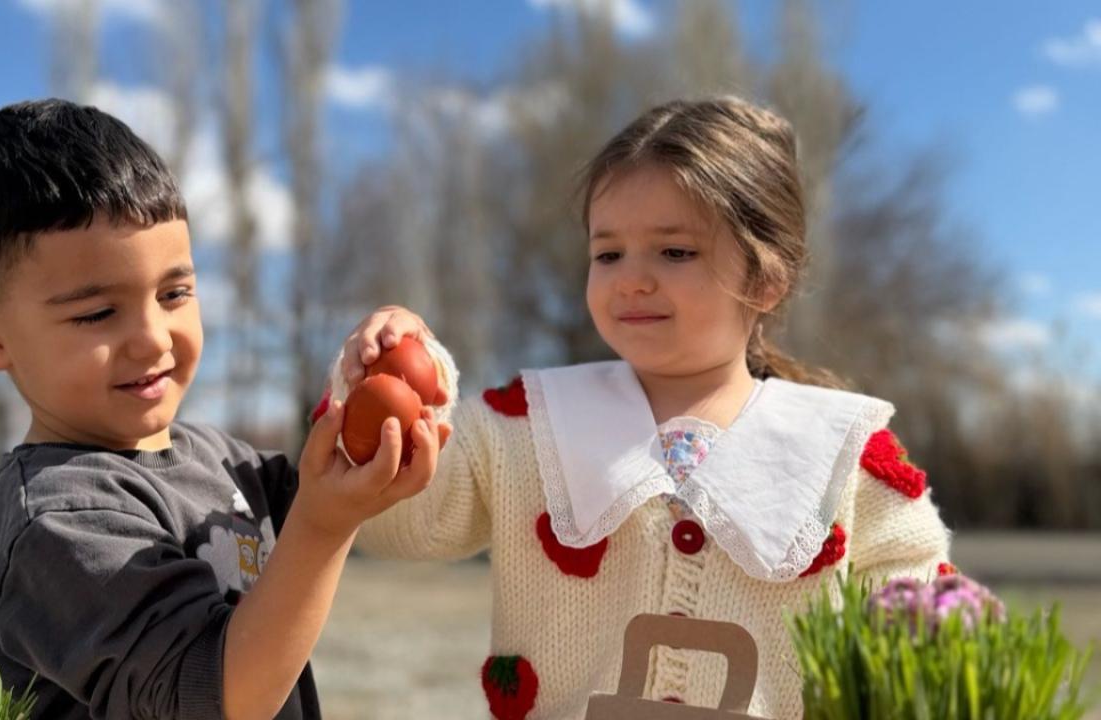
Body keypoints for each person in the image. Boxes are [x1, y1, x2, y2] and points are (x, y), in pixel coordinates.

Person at [328, 96, 952, 719]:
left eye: (674, 252)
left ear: (767, 280)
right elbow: (396, 522)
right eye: (608, 254)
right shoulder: (526, 425)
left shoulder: (843, 450)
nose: (631, 278)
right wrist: (397, 384)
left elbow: (922, 629)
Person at [0, 98, 445, 720]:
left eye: (174, 292)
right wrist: (321, 526)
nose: (153, 337)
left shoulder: (221, 460)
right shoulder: (56, 521)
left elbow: (360, 486)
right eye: (97, 313)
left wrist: (389, 368)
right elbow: (215, 698)